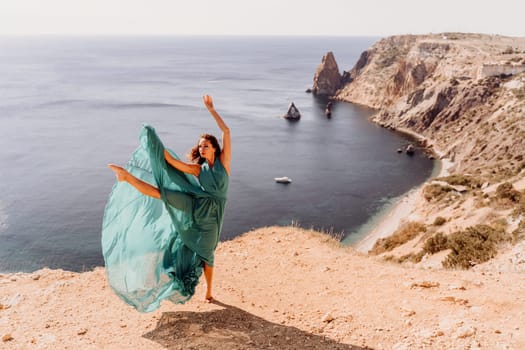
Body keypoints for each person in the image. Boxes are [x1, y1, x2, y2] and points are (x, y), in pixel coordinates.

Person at [102, 95, 230, 312]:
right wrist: (154, 144)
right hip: (196, 204)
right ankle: (127, 177)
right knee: (163, 193)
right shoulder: (199, 170)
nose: (202, 149)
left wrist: (211, 110)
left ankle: (209, 290)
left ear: (215, 148)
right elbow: (172, 163)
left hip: (213, 215)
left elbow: (226, 132)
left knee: (207, 252)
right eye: (200, 147)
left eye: (206, 145)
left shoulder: (224, 163)